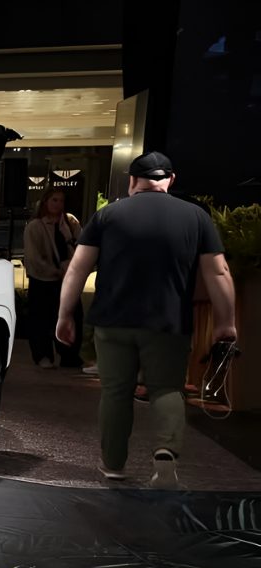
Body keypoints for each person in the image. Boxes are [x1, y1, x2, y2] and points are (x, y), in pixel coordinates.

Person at [56, 152, 238, 485]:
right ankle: (166, 452)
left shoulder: (107, 215)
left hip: (113, 321)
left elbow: (78, 268)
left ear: (132, 181)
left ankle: (113, 465)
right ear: (170, 179)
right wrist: (226, 323)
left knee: (115, 392)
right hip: (169, 323)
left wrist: (65, 314)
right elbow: (219, 272)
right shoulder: (196, 217)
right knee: (167, 389)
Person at [23, 188, 84, 369]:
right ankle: (43, 355)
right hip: (43, 280)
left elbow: (81, 245)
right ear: (45, 202)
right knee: (41, 319)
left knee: (73, 317)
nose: (58, 205)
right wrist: (55, 271)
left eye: (61, 201)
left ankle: (69, 355)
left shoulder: (70, 222)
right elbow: (34, 258)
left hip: (67, 280)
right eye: (54, 200)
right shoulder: (35, 226)